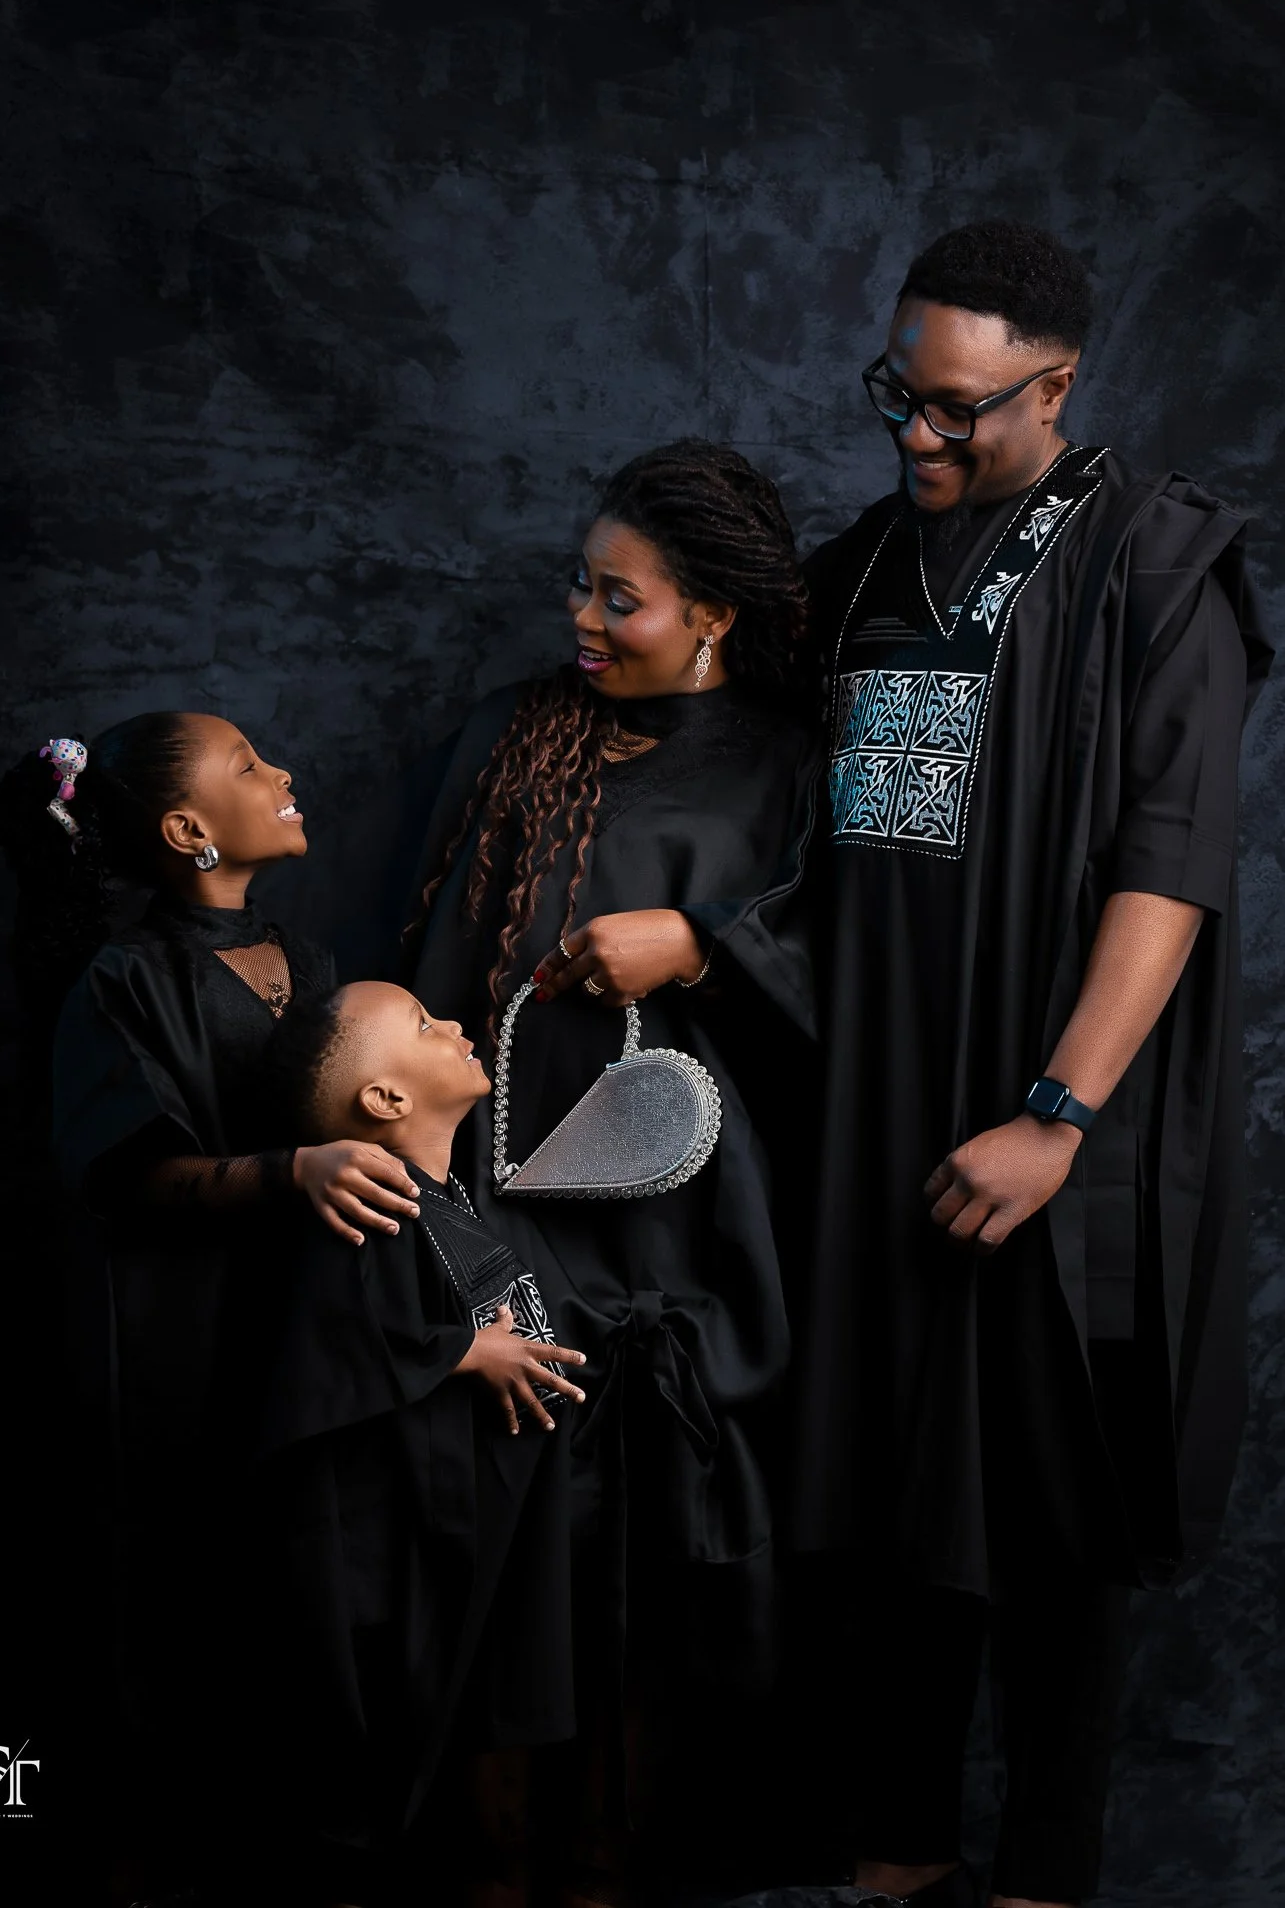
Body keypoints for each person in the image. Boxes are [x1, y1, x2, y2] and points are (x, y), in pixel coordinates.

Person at [714, 222, 1272, 1908]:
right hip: (871, 1091)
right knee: (884, 1481)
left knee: (1049, 1500)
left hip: (1059, 1106)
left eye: (957, 408)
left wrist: (1056, 1115)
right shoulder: (870, 563)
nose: (918, 436)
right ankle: (892, 1854)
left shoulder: (1157, 567)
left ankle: (1040, 1873)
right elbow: (766, 799)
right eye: (901, 395)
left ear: (1059, 382)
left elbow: (1170, 868)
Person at [401, 438, 819, 1905]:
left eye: (619, 598)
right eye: (577, 585)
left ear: (710, 612)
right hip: (516, 1205)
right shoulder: (512, 737)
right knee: (518, 1549)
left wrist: (703, 941)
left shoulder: (791, 758)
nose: (580, 618)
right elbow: (435, 974)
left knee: (671, 1553)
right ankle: (504, 1870)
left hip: (707, 1223)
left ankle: (618, 1870)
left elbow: (868, 981)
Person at [0, 712, 421, 1906]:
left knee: (301, 1616)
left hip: (310, 1344)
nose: (284, 774)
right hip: (183, 1349)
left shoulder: (316, 966)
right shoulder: (127, 979)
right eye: (248, 767)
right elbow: (127, 1177)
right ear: (186, 830)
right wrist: (292, 1174)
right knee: (174, 1619)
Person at [259, 980, 588, 1907]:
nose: (449, 1023)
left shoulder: (452, 1201)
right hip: (399, 1567)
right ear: (385, 1100)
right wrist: (460, 1352)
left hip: (491, 1537)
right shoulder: (366, 1212)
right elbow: (323, 1358)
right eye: (420, 1024)